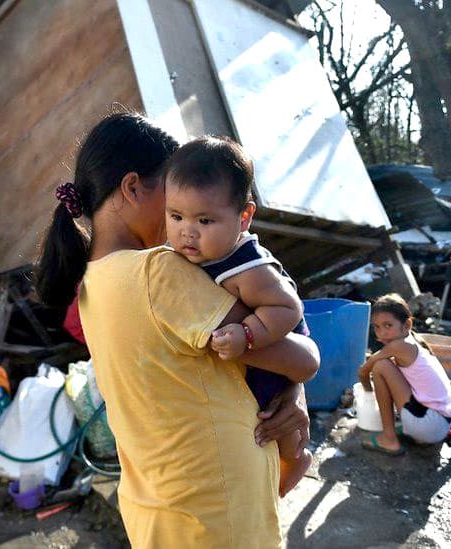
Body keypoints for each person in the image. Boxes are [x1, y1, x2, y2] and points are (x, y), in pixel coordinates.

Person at [35, 112, 319, 547]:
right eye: (174, 203)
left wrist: (287, 392)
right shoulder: (157, 272)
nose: (184, 225)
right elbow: (300, 359)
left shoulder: (92, 283)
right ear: (133, 188)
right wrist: (294, 392)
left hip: (156, 504)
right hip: (214, 506)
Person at [164, 135, 314, 497]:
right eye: (176, 216)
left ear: (244, 217)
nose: (187, 231)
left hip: (276, 349)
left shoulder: (249, 268)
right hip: (246, 368)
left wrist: (248, 334)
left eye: (204, 219)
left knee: (279, 426)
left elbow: (288, 309)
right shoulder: (188, 253)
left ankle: (296, 465)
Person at [357, 293, 451, 455]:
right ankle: (403, 430)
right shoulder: (418, 344)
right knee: (387, 366)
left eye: (388, 325)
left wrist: (368, 392)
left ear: (407, 325)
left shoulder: (399, 346)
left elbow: (364, 371)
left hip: (427, 426)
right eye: (376, 327)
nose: (381, 333)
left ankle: (389, 439)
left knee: (381, 366)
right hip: (441, 426)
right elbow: (448, 384)